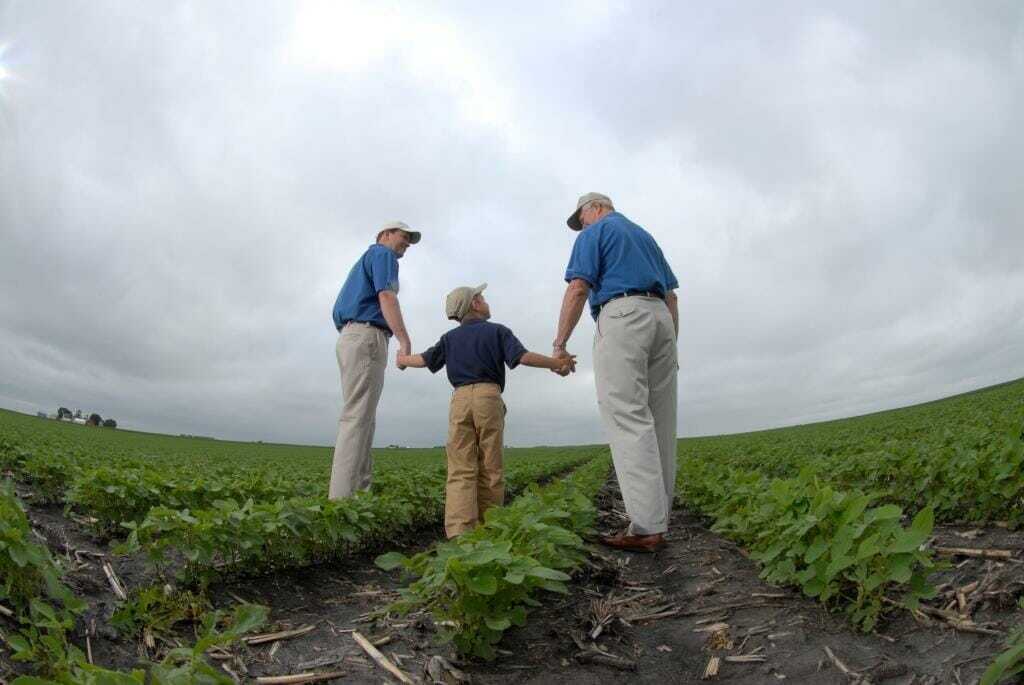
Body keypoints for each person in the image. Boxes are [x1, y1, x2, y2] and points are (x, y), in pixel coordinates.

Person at [551, 193, 679, 552]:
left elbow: (578, 287)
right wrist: (672, 344)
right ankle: (658, 515)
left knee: (626, 415)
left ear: (594, 209)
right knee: (661, 419)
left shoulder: (595, 233)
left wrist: (560, 343)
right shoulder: (645, 236)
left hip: (622, 314)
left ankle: (647, 528)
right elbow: (672, 297)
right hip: (661, 321)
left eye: (581, 219)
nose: (582, 226)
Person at [398, 283, 576, 537]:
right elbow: (522, 357)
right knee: (491, 466)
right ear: (475, 304)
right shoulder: (497, 331)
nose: (486, 300)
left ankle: (460, 532)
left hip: (459, 400)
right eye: (482, 297)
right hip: (487, 396)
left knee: (460, 467)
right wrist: (556, 363)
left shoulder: (449, 339)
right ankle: (489, 529)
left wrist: (401, 359)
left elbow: (424, 360)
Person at [328, 221, 420, 500]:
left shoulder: (366, 260)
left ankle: (361, 492)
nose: (406, 243)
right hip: (367, 334)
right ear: (385, 235)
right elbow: (386, 295)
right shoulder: (383, 254)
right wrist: (404, 339)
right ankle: (342, 500)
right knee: (357, 418)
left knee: (363, 417)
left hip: (352, 336)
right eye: (403, 237)